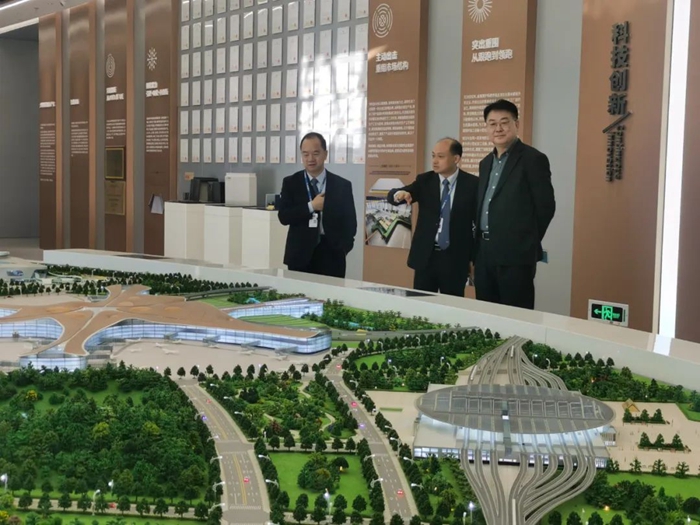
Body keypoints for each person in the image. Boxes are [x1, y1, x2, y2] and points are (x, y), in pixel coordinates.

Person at [474, 99, 556, 309]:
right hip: (484, 253)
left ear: (516, 124)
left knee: (516, 314)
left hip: (516, 255)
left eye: (504, 122)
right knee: (486, 313)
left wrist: (526, 241)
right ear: (486, 128)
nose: (498, 129)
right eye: (492, 124)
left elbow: (546, 206)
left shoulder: (533, 159)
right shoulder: (485, 163)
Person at [387, 138, 479, 296]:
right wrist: (400, 194)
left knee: (451, 305)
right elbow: (395, 195)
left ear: (456, 158)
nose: (435, 161)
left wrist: (473, 258)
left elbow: (477, 222)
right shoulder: (425, 180)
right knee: (421, 303)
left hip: (455, 258)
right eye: (433, 155)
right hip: (426, 257)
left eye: (441, 156)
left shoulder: (472, 184)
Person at [278, 132, 357, 278]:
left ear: (325, 154)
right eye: (305, 154)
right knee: (298, 292)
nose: (310, 159)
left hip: (332, 255)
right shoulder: (291, 182)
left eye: (315, 153)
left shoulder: (342, 185)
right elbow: (284, 216)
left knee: (330, 292)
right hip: (300, 255)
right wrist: (311, 206)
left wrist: (343, 248)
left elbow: (350, 222)